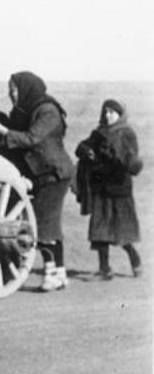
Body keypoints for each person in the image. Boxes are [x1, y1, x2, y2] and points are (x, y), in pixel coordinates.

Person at [0, 71, 74, 292]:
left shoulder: (47, 111)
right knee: (50, 223)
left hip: (54, 172)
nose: (11, 94)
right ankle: (60, 273)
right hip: (42, 174)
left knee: (40, 221)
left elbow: (31, 138)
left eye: (14, 89)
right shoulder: (27, 110)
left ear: (26, 89)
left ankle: (51, 273)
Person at [75, 99, 143, 279]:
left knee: (121, 231)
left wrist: (109, 153)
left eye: (112, 112)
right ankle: (104, 269)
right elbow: (81, 147)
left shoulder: (127, 134)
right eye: (105, 111)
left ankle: (135, 259)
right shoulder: (98, 133)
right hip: (100, 187)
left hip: (119, 188)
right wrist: (86, 151)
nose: (107, 115)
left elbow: (129, 161)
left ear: (120, 115)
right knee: (100, 230)